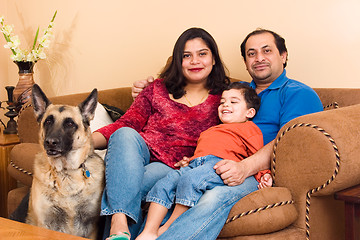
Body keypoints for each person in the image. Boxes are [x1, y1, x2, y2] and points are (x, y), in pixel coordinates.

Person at [131, 28, 324, 239]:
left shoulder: (298, 93)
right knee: (166, 185)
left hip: (250, 171)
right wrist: (152, 88)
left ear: (283, 55)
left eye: (266, 51)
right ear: (245, 61)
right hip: (210, 163)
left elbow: (287, 142)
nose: (259, 58)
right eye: (251, 53)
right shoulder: (235, 91)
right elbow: (188, 93)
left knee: (211, 199)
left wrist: (244, 167)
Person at [91, 27, 230, 240]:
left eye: (202, 54)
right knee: (124, 133)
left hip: (173, 167)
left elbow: (230, 137)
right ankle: (118, 223)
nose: (195, 61)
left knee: (129, 184)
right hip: (141, 155)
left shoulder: (225, 97)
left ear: (213, 59)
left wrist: (197, 161)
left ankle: (119, 232)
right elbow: (126, 122)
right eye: (186, 56)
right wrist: (83, 144)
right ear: (177, 61)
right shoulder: (157, 89)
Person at [136, 82, 272, 240]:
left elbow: (256, 153)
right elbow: (202, 151)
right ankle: (148, 231)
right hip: (197, 165)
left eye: (233, 102)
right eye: (222, 102)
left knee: (190, 180)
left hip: (219, 165)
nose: (225, 104)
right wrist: (189, 161)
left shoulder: (249, 129)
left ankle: (168, 227)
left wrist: (264, 175)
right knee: (166, 182)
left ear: (250, 112)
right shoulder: (211, 130)